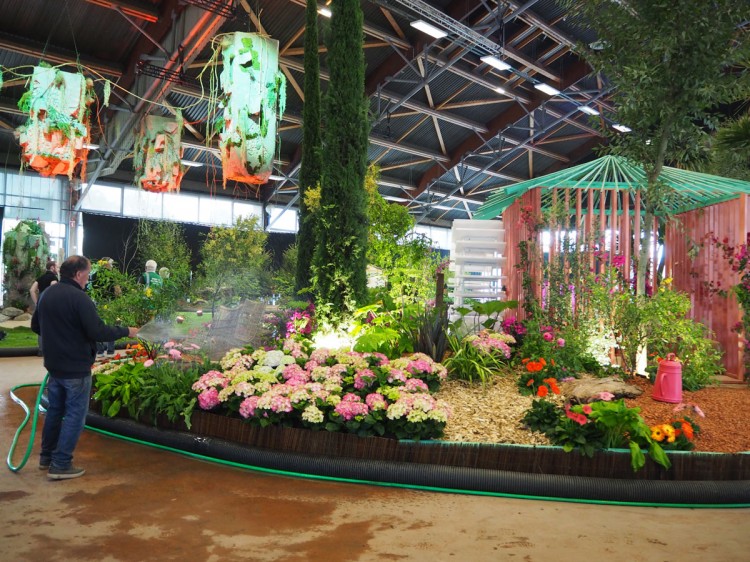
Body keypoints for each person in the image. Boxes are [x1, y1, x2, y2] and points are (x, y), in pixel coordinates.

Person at [31, 255, 138, 480]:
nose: (88, 278)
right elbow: (97, 332)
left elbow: (36, 326)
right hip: (75, 368)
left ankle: (46, 457)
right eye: (87, 273)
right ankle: (61, 464)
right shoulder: (80, 299)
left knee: (55, 411)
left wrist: (59, 337)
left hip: (54, 366)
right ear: (78, 274)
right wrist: (126, 331)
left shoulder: (47, 294)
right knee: (75, 415)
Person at [30, 259, 59, 355]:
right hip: (50, 304)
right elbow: (54, 288)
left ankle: (41, 350)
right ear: (52, 267)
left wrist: (36, 302)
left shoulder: (40, 278)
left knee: (41, 325)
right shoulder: (53, 278)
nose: (58, 269)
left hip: (41, 303)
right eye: (57, 267)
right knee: (52, 326)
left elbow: (32, 290)